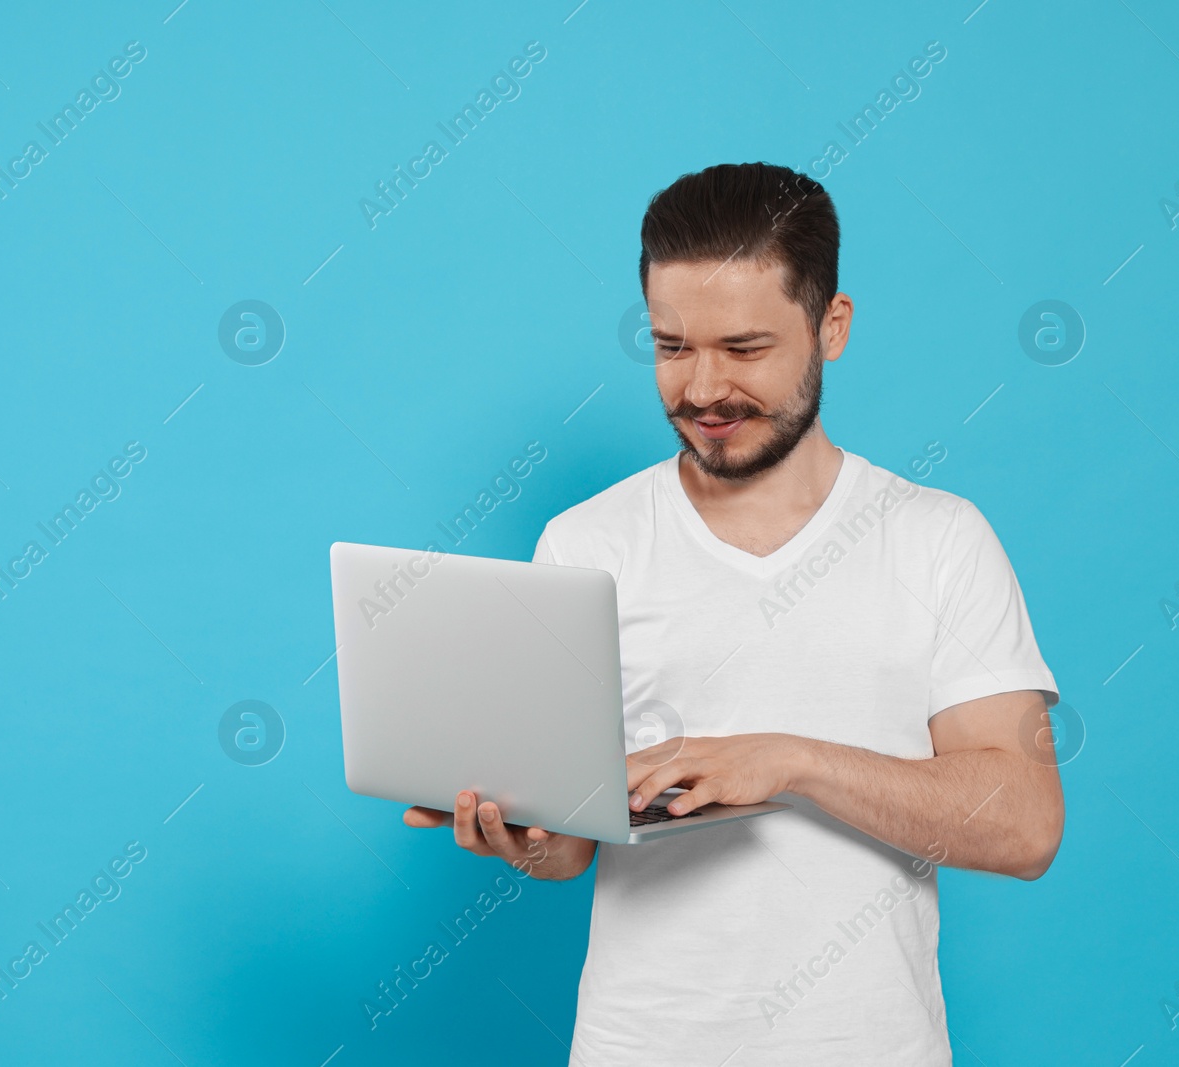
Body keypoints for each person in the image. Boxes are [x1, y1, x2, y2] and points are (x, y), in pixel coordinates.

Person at [402, 162, 1064, 1064]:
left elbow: (1025, 825)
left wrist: (790, 761)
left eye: (744, 349)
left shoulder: (936, 539)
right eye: (672, 347)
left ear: (832, 326)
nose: (703, 389)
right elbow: (567, 852)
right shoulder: (586, 542)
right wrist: (518, 834)